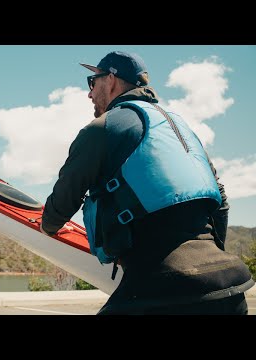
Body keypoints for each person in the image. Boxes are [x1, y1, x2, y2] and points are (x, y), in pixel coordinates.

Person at [40, 50, 254, 315]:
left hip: (159, 289)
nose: (90, 92)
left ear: (111, 80)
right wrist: (212, 257)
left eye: (92, 82)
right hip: (228, 287)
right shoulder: (180, 128)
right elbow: (220, 201)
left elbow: (61, 204)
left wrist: (46, 228)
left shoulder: (101, 128)